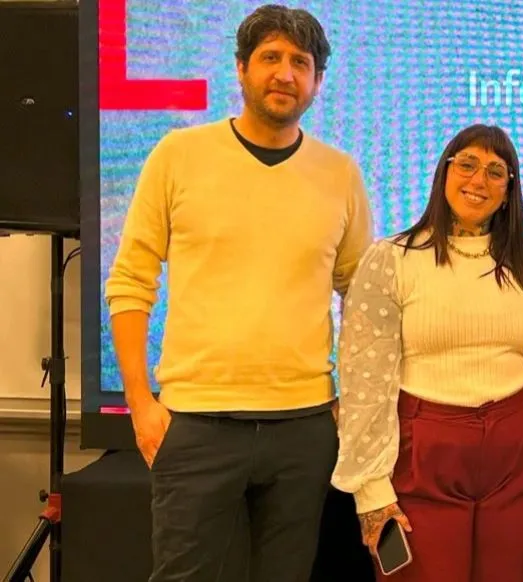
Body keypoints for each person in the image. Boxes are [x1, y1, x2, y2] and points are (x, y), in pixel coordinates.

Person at [104, 5, 373, 581]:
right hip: (197, 423)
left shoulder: (341, 175)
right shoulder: (179, 155)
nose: (285, 74)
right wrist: (140, 405)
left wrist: (346, 402)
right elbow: (130, 281)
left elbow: (361, 298)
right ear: (241, 69)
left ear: (317, 81)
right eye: (270, 58)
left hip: (303, 429)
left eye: (300, 63)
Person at [331, 124, 523, 582]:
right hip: (422, 455)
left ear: (510, 191)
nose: (479, 180)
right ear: (443, 173)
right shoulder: (390, 259)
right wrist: (371, 492)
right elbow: (362, 382)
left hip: (518, 451)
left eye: (496, 172)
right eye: (467, 164)